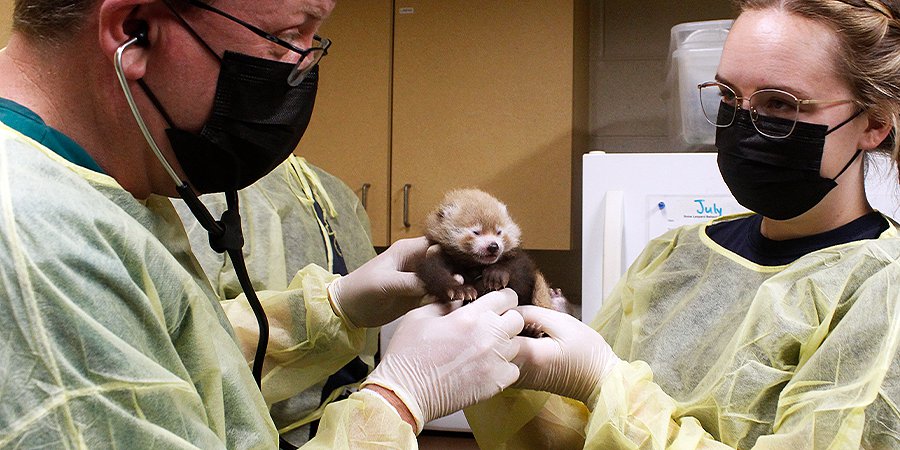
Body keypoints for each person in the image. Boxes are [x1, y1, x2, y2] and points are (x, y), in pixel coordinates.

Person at [0, 0, 525, 447]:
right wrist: (398, 400)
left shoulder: (102, 189)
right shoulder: (35, 240)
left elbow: (179, 367)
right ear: (134, 30)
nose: (299, 70)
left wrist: (335, 308)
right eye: (283, 39)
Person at [468, 0, 900, 448]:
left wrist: (602, 382)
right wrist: (511, 356)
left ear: (874, 123)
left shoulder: (883, 291)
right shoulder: (677, 255)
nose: (745, 124)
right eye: (729, 96)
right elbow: (572, 434)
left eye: (780, 103)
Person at [173, 153, 382, 446]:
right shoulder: (210, 193)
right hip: (261, 433)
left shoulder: (335, 194)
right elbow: (187, 340)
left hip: (348, 426)